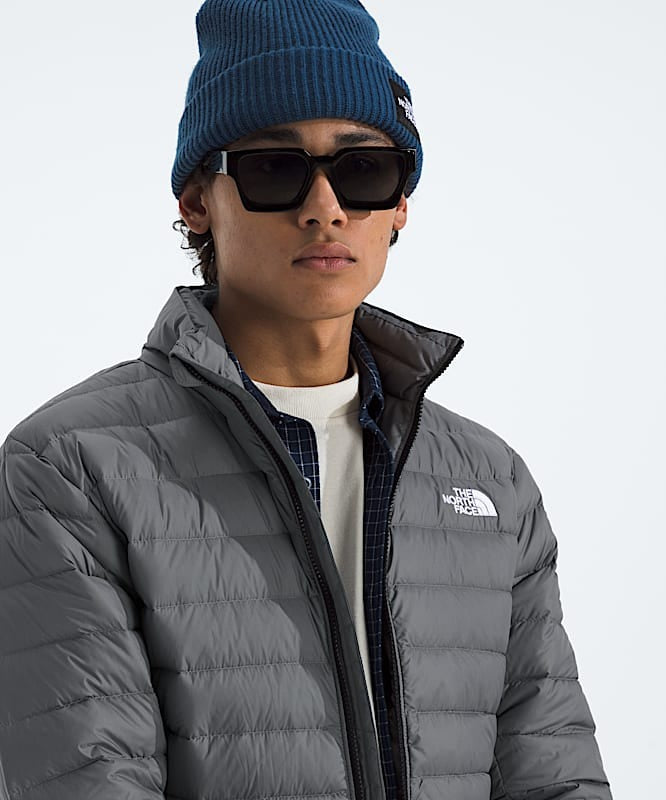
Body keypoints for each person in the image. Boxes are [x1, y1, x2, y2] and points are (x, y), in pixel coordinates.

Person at [0, 1, 613, 799]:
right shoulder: (71, 469)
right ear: (197, 201)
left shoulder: (490, 482)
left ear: (400, 202)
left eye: (363, 170)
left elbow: (555, 775)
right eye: (272, 169)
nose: (325, 207)